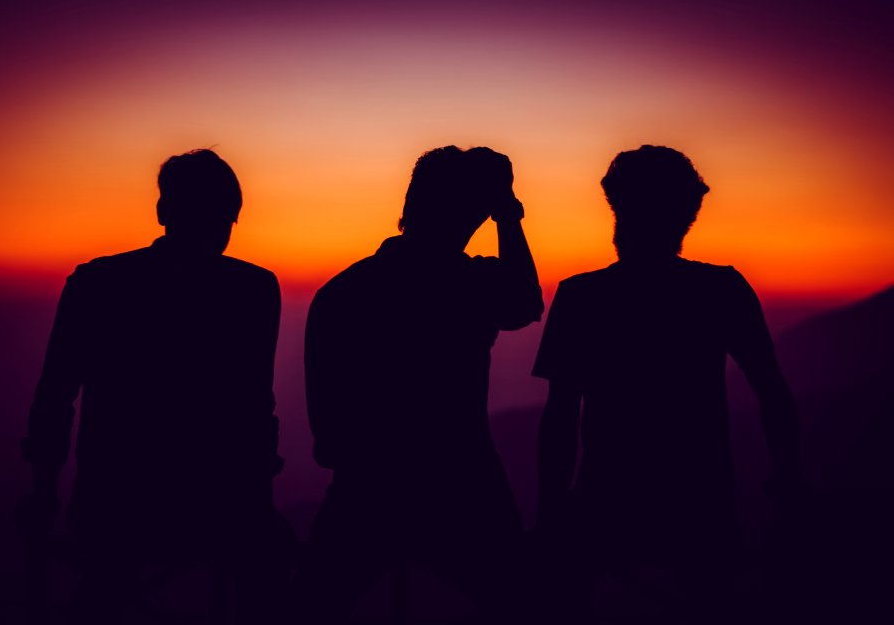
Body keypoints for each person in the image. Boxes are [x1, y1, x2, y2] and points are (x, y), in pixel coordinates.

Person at [17, 149, 291, 622]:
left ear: (163, 211)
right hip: (220, 506)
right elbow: (254, 408)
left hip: (112, 504)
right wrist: (255, 504)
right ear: (229, 218)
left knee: (105, 591)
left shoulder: (95, 283)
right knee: (275, 580)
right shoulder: (253, 290)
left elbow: (55, 396)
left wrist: (43, 493)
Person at [532, 145, 802, 622]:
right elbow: (773, 393)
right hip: (700, 509)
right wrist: (789, 489)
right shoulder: (722, 290)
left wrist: (551, 510)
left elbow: (560, 416)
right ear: (688, 216)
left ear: (616, 207)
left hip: (604, 506)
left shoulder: (581, 297)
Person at [295, 146, 543, 622]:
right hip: (464, 484)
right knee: (523, 599)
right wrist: (509, 215)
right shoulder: (471, 284)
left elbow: (325, 425)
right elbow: (525, 302)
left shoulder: (343, 291)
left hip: (364, 489)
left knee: (311, 603)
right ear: (473, 213)